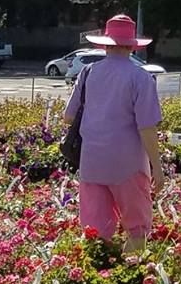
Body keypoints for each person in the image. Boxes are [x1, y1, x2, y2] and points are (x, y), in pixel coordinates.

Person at [64, 13, 164, 252]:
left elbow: (69, 117)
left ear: (104, 44)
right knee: (137, 230)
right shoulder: (141, 77)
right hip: (128, 165)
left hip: (92, 162)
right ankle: (131, 281)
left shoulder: (88, 73)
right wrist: (157, 167)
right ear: (132, 45)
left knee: (95, 233)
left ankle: (99, 280)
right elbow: (147, 127)